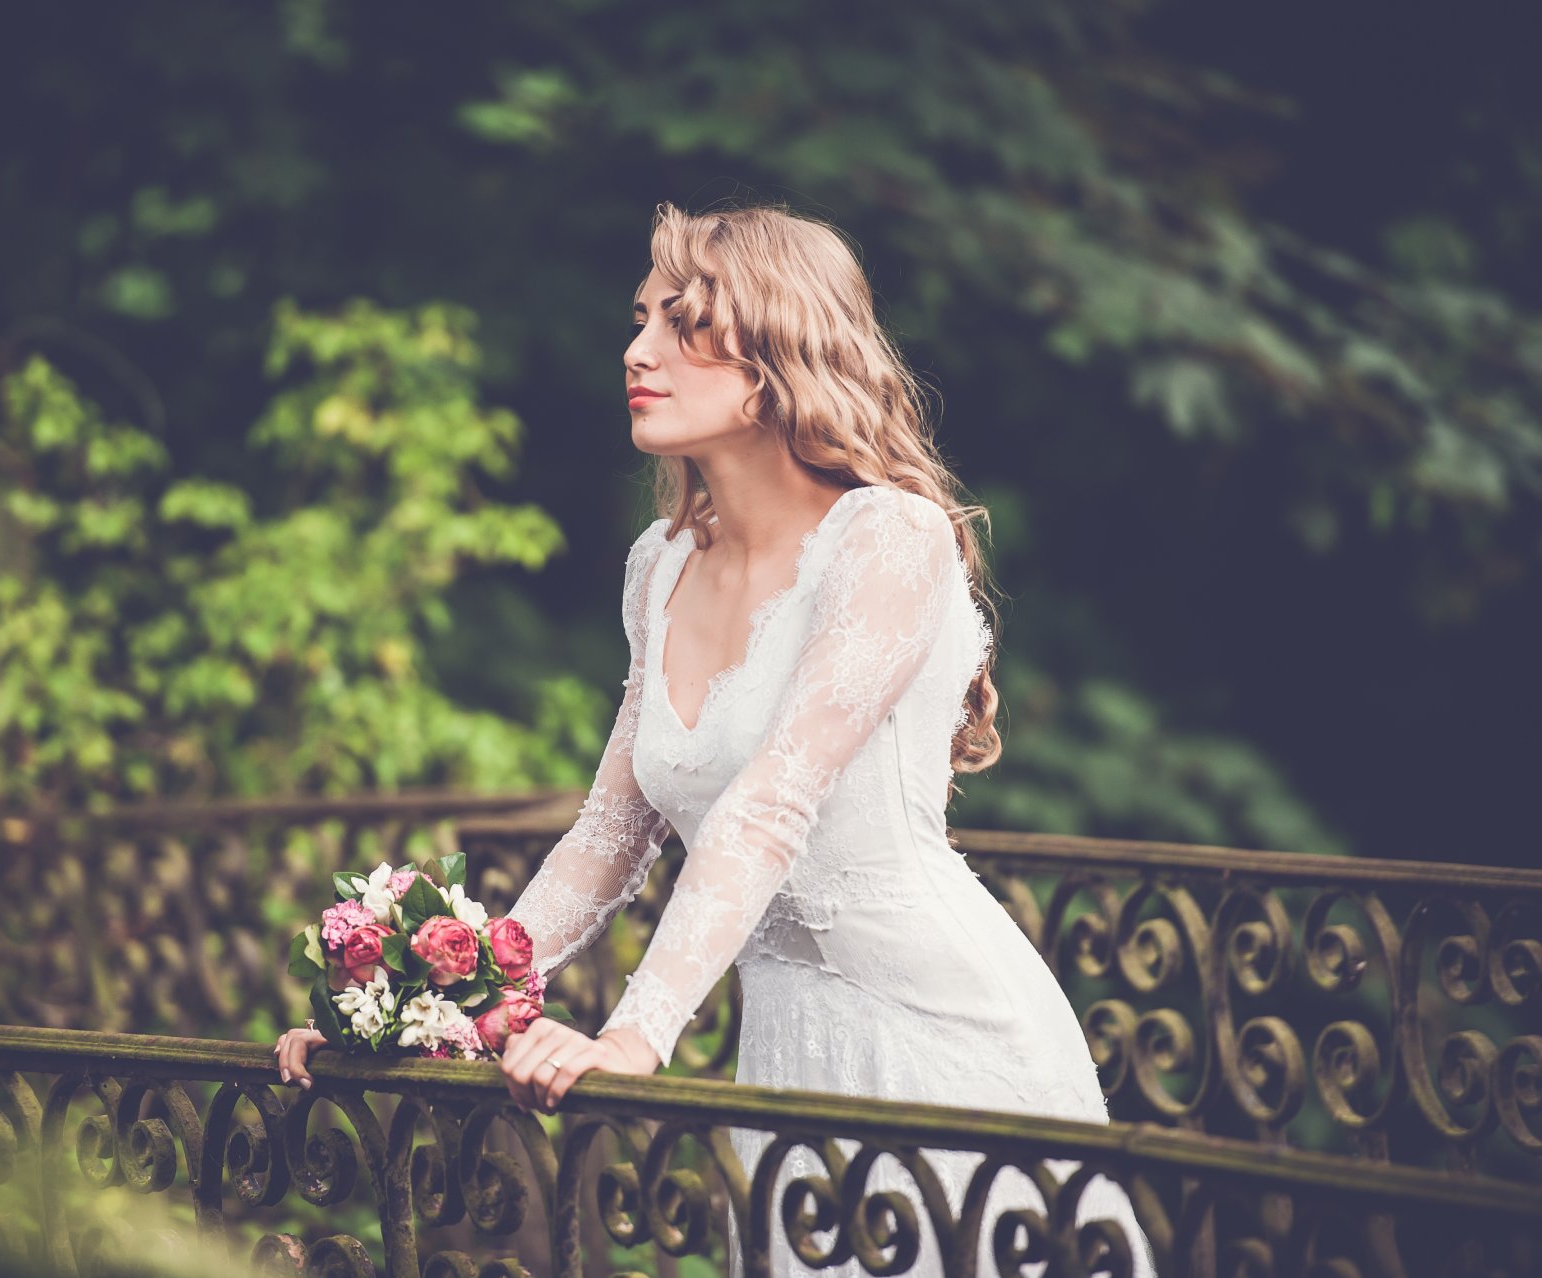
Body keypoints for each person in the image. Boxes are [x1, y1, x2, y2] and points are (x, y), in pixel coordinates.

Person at [276, 201, 1150, 1277]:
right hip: (784, 1056)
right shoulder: (663, 565)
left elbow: (770, 805)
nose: (638, 351)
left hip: (943, 1038)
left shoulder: (889, 539)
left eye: (686, 324)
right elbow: (608, 832)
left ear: (780, 352)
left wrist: (637, 1037)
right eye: (641, 318)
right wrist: (426, 1008)